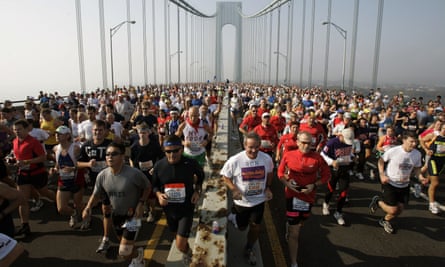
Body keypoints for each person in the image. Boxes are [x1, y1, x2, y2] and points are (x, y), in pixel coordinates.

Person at [82, 142, 150, 267]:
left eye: (114, 154)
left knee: (123, 251)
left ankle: (138, 258)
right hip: (116, 215)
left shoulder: (133, 173)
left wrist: (141, 203)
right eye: (107, 154)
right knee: (124, 243)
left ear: (122, 156)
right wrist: (88, 208)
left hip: (132, 216)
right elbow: (96, 194)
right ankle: (137, 253)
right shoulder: (102, 175)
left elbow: (147, 187)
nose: (110, 157)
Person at [277, 131, 331, 267]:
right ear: (297, 142)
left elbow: (327, 175)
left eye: (309, 143)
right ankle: (294, 262)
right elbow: (280, 172)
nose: (306, 145)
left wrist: (314, 185)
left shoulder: (317, 158)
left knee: (302, 221)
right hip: (292, 195)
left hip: (308, 197)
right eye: (303, 142)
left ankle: (292, 225)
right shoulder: (289, 155)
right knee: (295, 233)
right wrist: (287, 183)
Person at [221, 132, 274, 266]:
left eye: (256, 147)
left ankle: (249, 247)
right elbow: (225, 176)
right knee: (241, 228)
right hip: (242, 202)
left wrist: (267, 188)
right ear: (245, 145)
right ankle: (233, 216)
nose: (253, 150)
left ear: (260, 145)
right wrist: (234, 189)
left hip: (258, 200)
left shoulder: (266, 159)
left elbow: (269, 174)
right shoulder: (235, 160)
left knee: (256, 227)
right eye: (250, 147)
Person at [151, 134, 205, 266]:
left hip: (186, 208)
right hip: (169, 210)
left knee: (180, 244)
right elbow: (154, 185)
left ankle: (188, 253)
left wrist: (197, 191)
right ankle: (185, 248)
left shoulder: (190, 163)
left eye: (175, 151)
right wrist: (158, 195)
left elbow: (201, 176)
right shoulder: (159, 166)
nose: (172, 154)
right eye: (168, 151)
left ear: (181, 149)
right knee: (176, 236)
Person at [369, 131, 426, 234]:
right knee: (393, 210)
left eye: (415, 142)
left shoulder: (417, 154)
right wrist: (382, 174)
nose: (414, 144)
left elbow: (417, 168)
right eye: (411, 141)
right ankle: (378, 201)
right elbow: (381, 160)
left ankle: (385, 221)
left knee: (400, 209)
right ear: (404, 140)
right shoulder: (394, 151)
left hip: (404, 184)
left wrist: (421, 177)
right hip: (390, 182)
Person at [11, 119, 56, 236]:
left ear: (26, 129)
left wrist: (27, 161)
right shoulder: (15, 141)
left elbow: (43, 158)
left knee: (44, 192)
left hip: (37, 173)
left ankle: (58, 201)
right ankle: (25, 225)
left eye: (19, 129)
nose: (17, 132)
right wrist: (13, 160)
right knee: (22, 199)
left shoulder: (33, 142)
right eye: (15, 130)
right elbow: (17, 156)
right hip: (23, 174)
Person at [49, 126, 85, 228]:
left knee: (78, 205)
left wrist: (73, 168)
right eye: (56, 134)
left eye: (60, 134)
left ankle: (87, 216)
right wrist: (54, 169)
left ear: (68, 135)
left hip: (76, 179)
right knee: (61, 208)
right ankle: (73, 214)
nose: (57, 136)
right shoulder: (55, 148)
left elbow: (82, 164)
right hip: (63, 180)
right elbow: (58, 164)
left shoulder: (75, 148)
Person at [320, 128, 355, 225]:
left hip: (345, 168)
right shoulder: (332, 143)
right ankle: (326, 203)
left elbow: (349, 152)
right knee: (331, 189)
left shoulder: (349, 142)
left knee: (344, 192)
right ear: (340, 136)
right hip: (334, 169)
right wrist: (332, 162)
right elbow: (322, 154)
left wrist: (352, 157)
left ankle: (338, 212)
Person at [129, 123, 163, 222]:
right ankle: (146, 208)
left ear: (148, 133)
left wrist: (155, 168)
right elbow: (131, 159)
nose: (142, 135)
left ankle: (152, 212)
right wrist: (133, 169)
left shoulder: (154, 145)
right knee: (141, 192)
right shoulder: (134, 146)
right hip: (139, 172)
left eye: (144, 133)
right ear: (138, 133)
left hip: (151, 173)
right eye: (140, 133)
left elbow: (160, 158)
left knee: (151, 195)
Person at [422, 122, 445, 214]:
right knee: (435, 183)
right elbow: (422, 140)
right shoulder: (435, 136)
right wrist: (427, 150)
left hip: (442, 163)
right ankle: (431, 204)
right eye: (444, 128)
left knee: (430, 179)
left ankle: (421, 184)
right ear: (441, 129)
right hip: (433, 161)